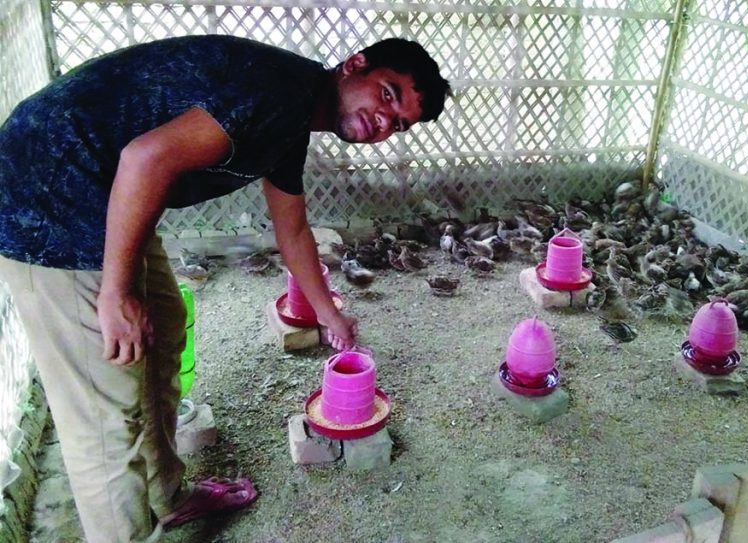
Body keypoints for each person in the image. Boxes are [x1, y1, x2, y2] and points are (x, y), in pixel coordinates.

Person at [0, 34, 451, 542]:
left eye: (399, 123)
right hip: (48, 188)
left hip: (104, 192)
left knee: (164, 328)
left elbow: (293, 230)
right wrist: (116, 293)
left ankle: (165, 499)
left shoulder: (293, 116)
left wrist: (329, 314)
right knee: (105, 414)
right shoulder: (276, 91)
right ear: (355, 66)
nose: (384, 122)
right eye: (387, 95)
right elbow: (145, 159)